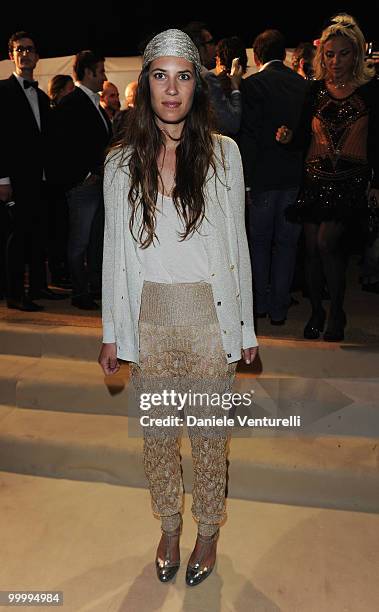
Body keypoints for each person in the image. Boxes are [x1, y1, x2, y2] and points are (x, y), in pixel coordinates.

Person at [98, 29, 258, 587]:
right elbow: (114, 256)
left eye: (183, 76)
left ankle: (208, 531)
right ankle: (169, 525)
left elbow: (237, 245)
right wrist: (113, 329)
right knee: (159, 437)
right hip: (150, 318)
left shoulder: (225, 155)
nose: (172, 89)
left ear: (198, 85)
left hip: (209, 320)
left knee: (212, 441)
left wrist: (245, 327)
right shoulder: (120, 164)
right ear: (145, 85)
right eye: (161, 76)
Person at [277, 16, 379, 341]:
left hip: (350, 183)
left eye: (344, 54)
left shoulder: (370, 92)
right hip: (313, 179)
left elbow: (378, 142)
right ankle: (317, 312)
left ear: (357, 54)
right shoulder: (314, 90)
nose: (335, 61)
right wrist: (286, 136)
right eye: (330, 54)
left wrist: (377, 184)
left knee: (327, 244)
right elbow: (299, 139)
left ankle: (337, 310)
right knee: (311, 250)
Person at [239, 29, 308, 325]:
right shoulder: (302, 85)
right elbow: (306, 136)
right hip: (293, 178)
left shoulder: (252, 85)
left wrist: (247, 182)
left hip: (262, 179)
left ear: (257, 56)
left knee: (259, 243)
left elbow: (250, 138)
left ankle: (260, 306)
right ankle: (279, 309)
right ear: (285, 55)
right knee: (287, 246)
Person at [0, 31, 62, 311]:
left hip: (41, 179)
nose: (25, 54)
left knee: (39, 234)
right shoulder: (2, 90)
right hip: (15, 179)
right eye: (19, 49)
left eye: (30, 49)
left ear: (37, 56)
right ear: (12, 56)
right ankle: (15, 294)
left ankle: (38, 287)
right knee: (18, 237)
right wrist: (2, 179)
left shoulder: (39, 93)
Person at [51, 50, 111, 310]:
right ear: (88, 72)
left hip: (97, 184)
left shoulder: (93, 103)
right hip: (84, 185)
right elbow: (63, 146)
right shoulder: (72, 102)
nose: (105, 77)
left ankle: (93, 287)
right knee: (80, 240)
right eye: (101, 71)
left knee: (96, 240)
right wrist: (84, 175)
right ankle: (79, 291)